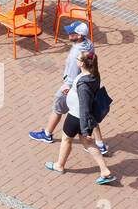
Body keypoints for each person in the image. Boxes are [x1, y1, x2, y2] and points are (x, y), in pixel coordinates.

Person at [28, 22, 108, 155]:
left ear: (80, 35)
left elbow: (70, 77)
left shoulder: (76, 54)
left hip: (73, 87)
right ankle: (100, 144)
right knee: (89, 113)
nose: (69, 34)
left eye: (72, 32)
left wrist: (66, 87)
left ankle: (47, 134)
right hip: (88, 83)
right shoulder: (88, 43)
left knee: (58, 108)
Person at [46, 49, 116, 184]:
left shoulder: (84, 85)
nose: (76, 61)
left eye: (78, 59)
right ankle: (104, 170)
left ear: (82, 64)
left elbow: (84, 108)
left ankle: (59, 165)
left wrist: (85, 130)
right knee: (88, 143)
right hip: (81, 117)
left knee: (66, 139)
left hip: (76, 117)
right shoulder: (94, 74)